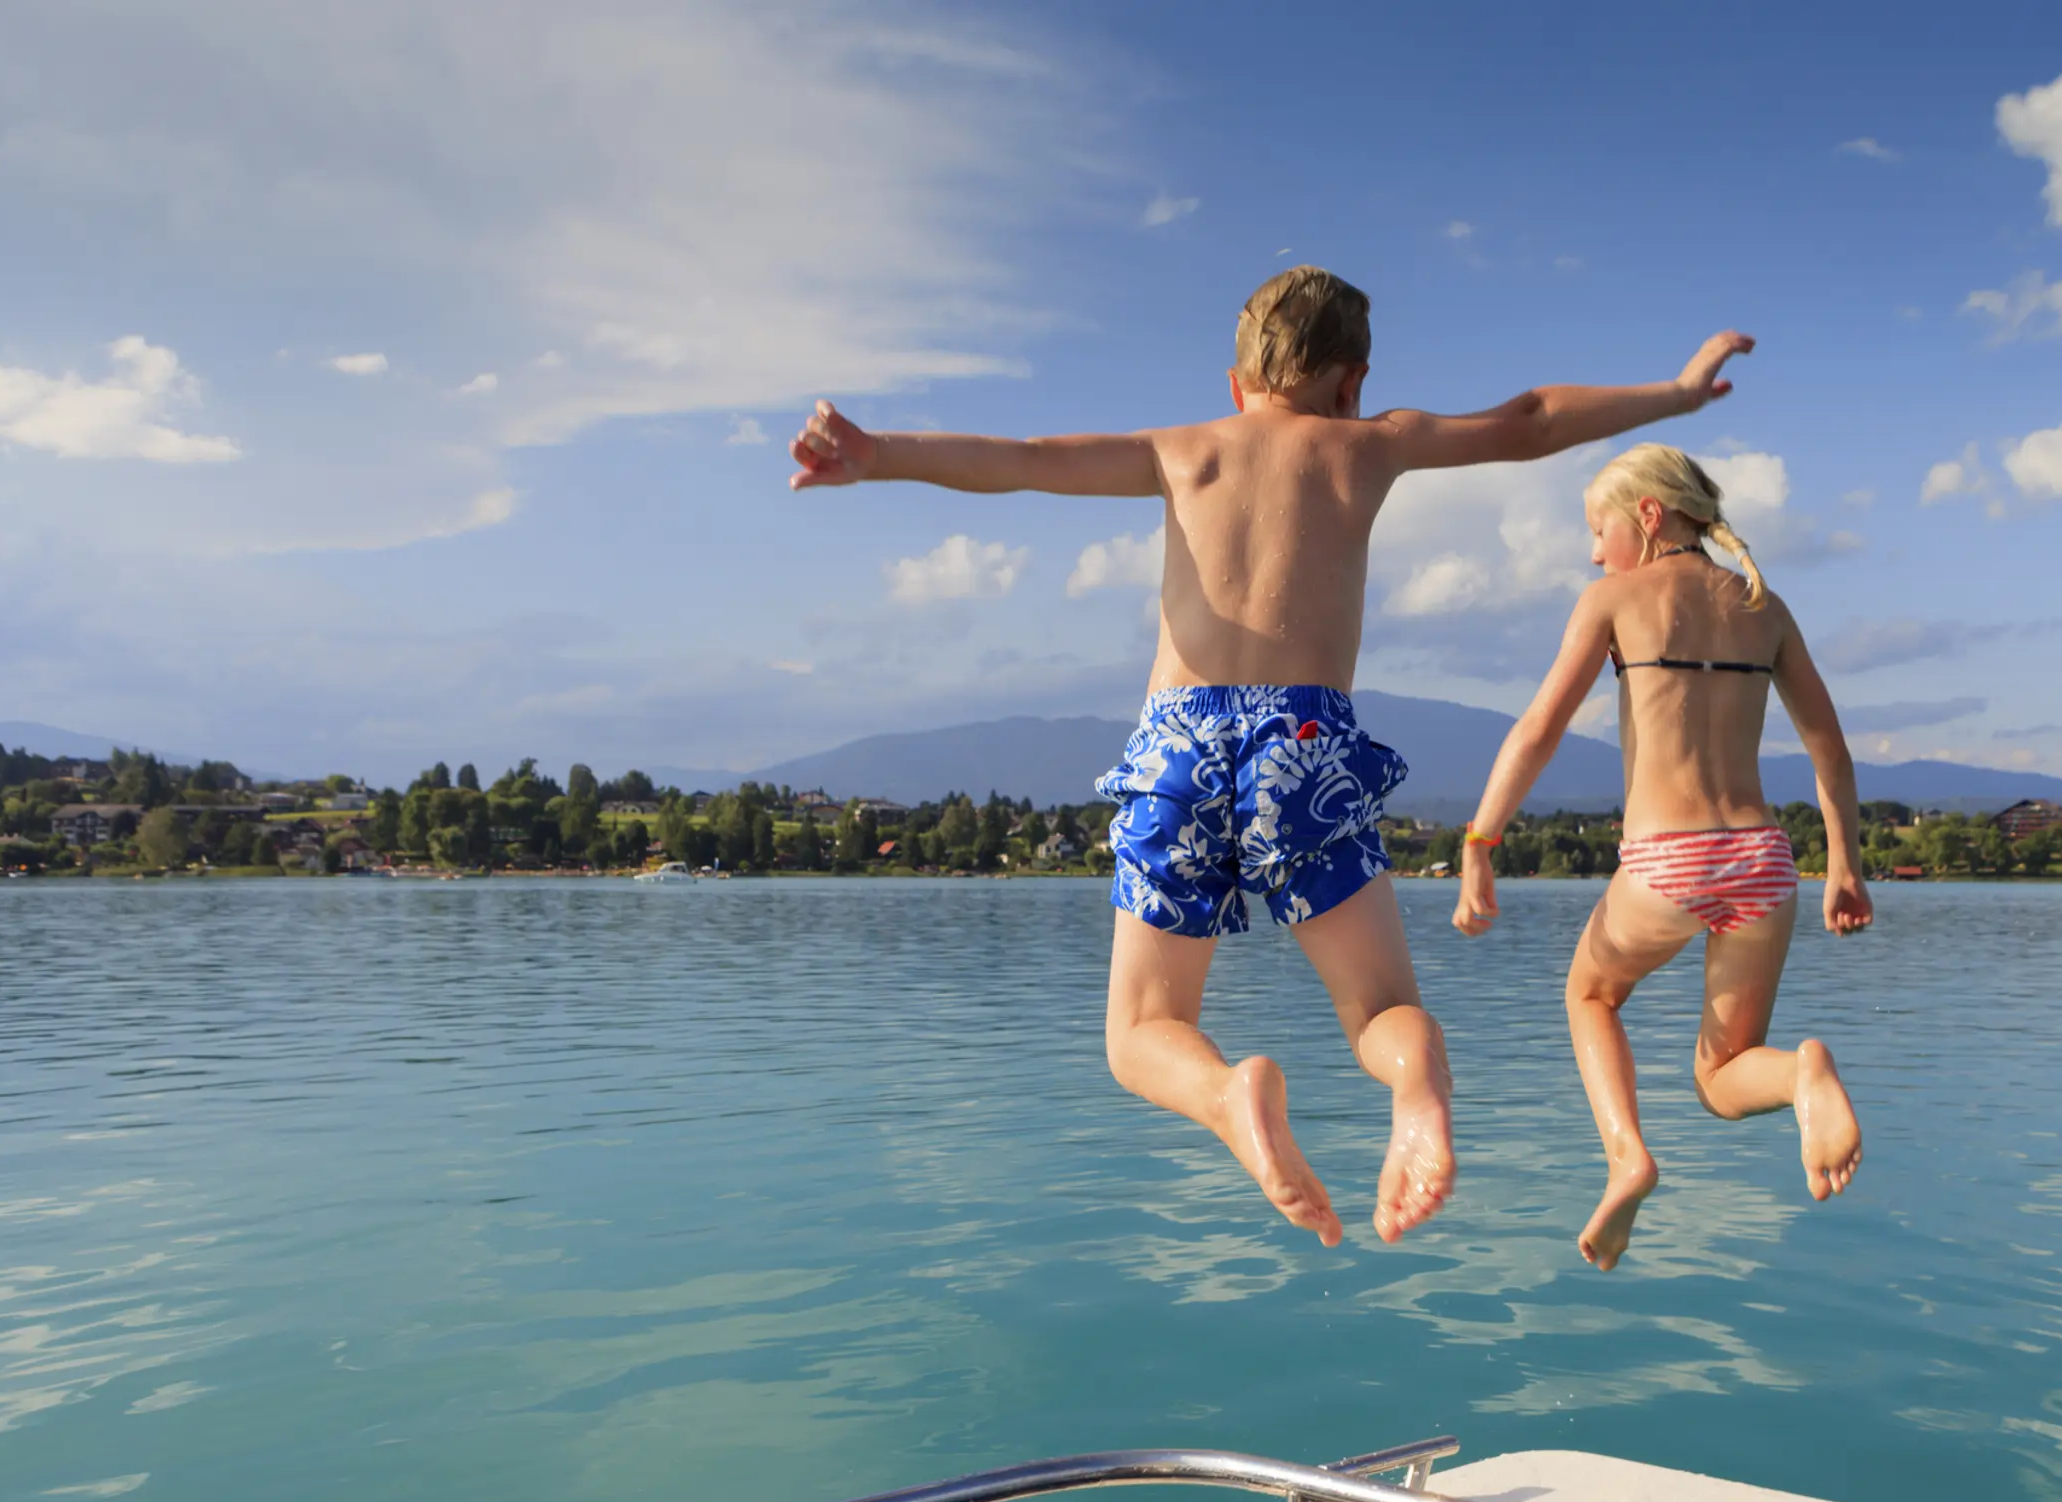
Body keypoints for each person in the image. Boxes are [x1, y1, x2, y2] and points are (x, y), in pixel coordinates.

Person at [791, 266, 1755, 1248]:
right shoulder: (1371, 444)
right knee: (1381, 1006)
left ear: (1233, 380)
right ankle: (1414, 1087)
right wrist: (1675, 395)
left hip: (1178, 735)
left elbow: (1025, 457)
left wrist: (877, 455)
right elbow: (1531, 416)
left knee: (1140, 1030)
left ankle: (1223, 1094)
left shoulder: (1180, 450)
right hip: (1305, 740)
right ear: (1353, 382)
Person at [1452, 445, 1869, 1271]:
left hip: (1665, 860)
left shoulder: (1612, 597)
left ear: (1648, 516)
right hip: (1762, 860)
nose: (1592, 549)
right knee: (1722, 1079)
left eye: (1596, 528)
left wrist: (1479, 842)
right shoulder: (1765, 606)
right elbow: (1830, 750)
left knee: (1590, 994)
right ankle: (1801, 1077)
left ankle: (1627, 1158)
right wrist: (1846, 865)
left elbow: (1538, 728)